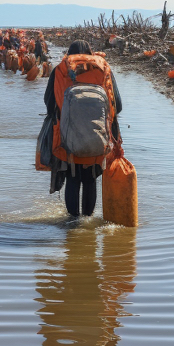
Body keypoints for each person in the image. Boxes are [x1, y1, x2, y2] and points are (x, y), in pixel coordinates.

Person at [43, 40, 123, 217]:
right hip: (98, 136)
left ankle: (73, 225)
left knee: (72, 178)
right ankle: (87, 223)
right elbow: (118, 105)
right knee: (90, 180)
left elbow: (49, 104)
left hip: (66, 137)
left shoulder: (60, 69)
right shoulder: (103, 68)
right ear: (91, 53)